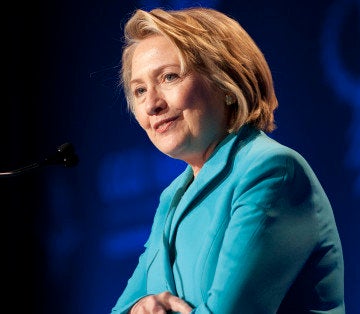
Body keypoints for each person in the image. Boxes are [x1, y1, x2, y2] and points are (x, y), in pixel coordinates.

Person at [110, 7, 345, 314]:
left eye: (169, 77)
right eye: (139, 90)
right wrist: (138, 308)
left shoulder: (270, 171)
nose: (152, 104)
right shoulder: (173, 197)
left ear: (226, 84)